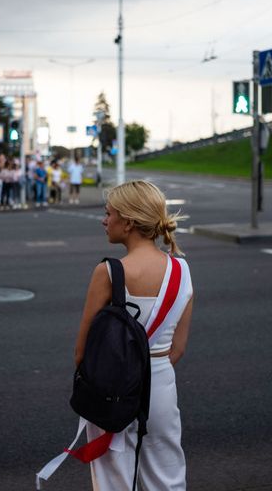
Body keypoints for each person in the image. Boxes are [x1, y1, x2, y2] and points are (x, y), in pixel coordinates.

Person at [74, 180, 193, 491]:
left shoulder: (110, 273)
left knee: (114, 478)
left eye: (108, 213)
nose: (104, 220)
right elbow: (178, 348)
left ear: (127, 222)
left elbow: (82, 352)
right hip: (161, 388)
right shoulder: (182, 271)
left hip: (112, 387)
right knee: (166, 475)